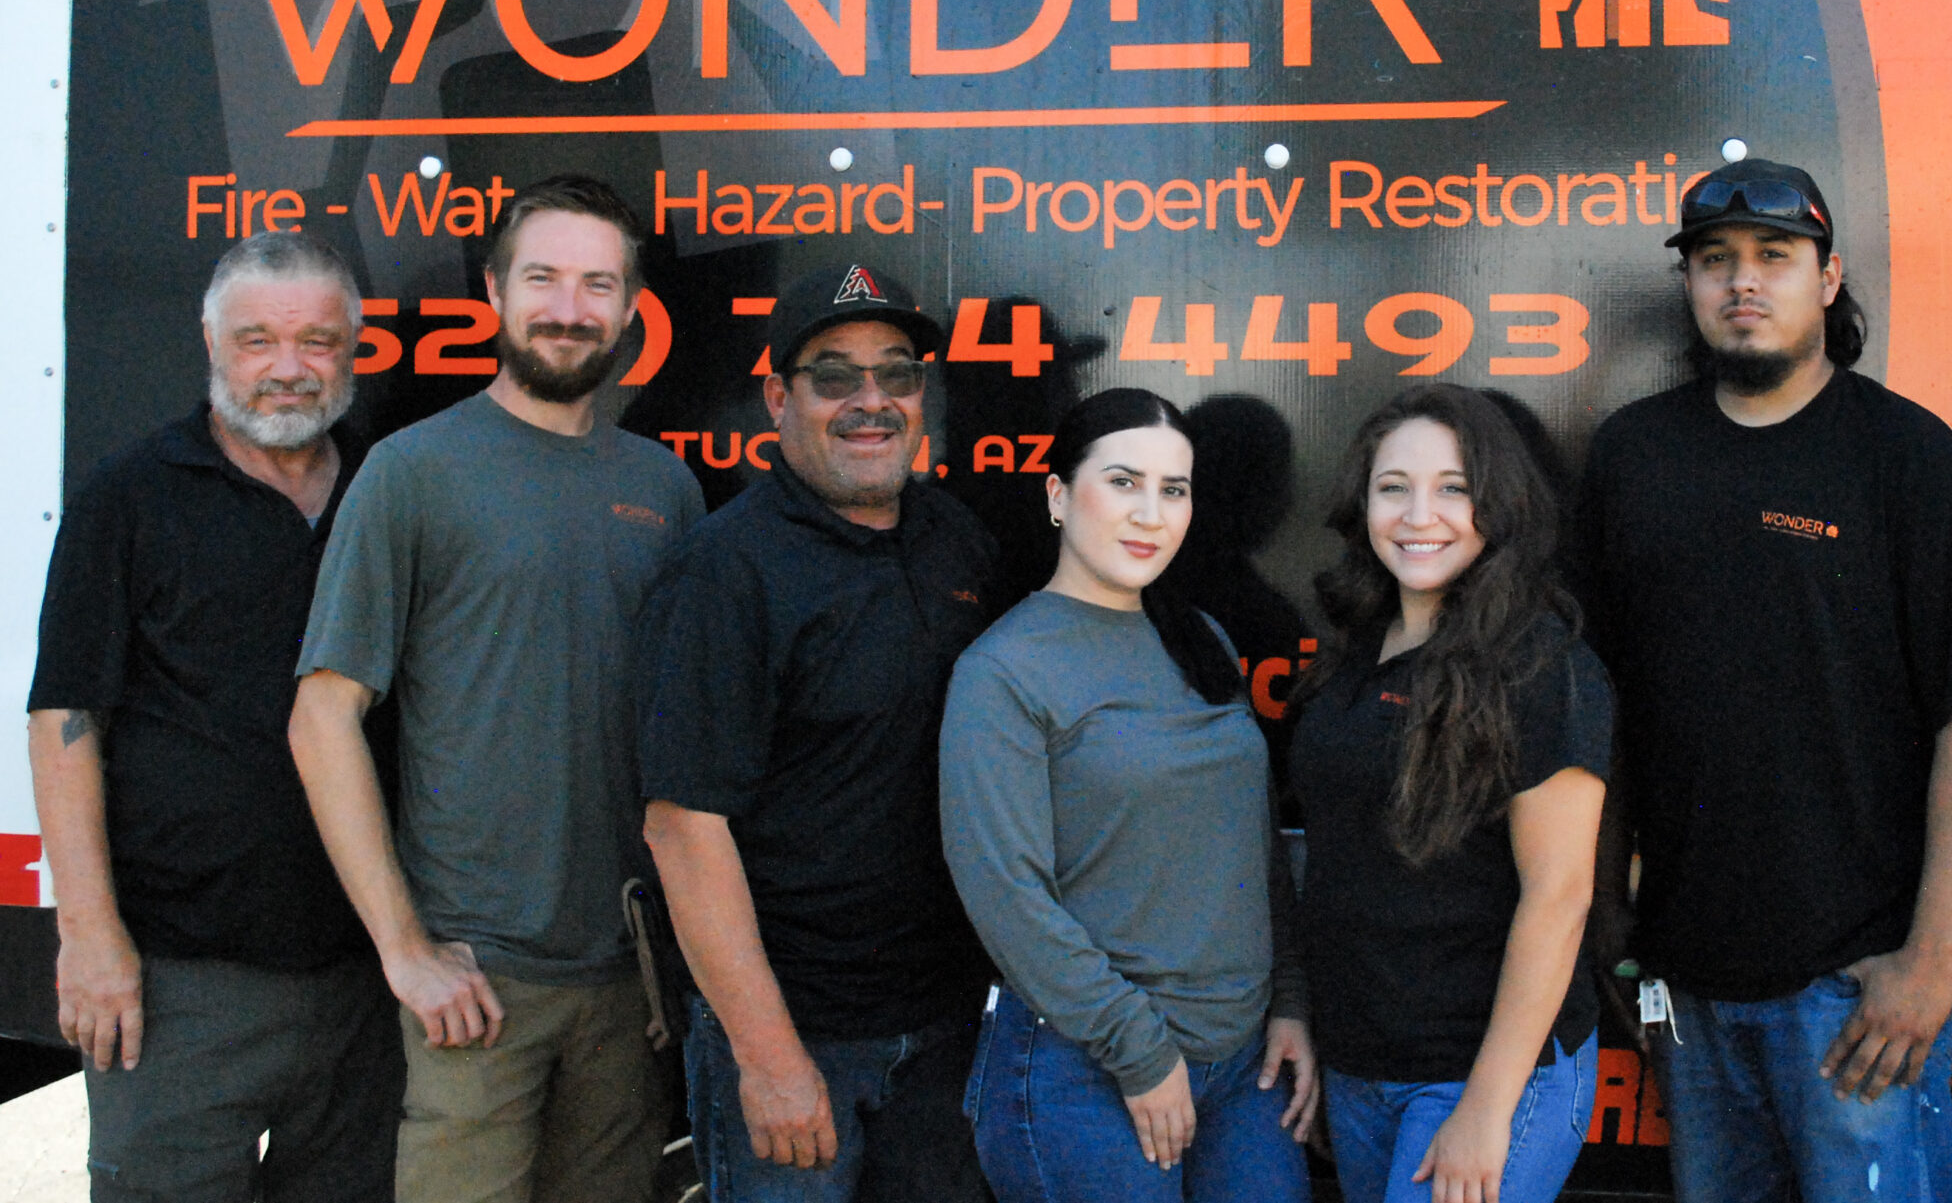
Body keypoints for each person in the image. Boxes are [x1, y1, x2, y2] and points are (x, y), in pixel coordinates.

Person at [1574, 157, 1952, 1203]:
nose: (1743, 281)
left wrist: (1926, 964)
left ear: (1827, 277)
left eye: (1775, 256)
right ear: (1687, 285)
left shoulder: (1908, 460)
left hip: (1854, 990)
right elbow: (1601, 708)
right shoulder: (1633, 456)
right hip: (1680, 980)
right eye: (1715, 260)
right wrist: (1604, 919)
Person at [289, 174, 705, 1203]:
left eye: (598, 283)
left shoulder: (666, 487)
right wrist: (406, 948)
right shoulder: (412, 470)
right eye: (544, 278)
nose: (569, 308)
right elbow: (322, 714)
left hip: (629, 982)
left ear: (628, 307)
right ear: (494, 292)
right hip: (475, 983)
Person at [26, 232, 403, 1202]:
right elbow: (65, 718)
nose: (288, 369)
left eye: (318, 341)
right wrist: (90, 934)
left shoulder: (386, 490)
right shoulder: (130, 496)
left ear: (355, 347)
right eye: (257, 341)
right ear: (209, 343)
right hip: (178, 984)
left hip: (363, 984)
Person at [636, 260, 1002, 1201]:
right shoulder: (726, 570)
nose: (870, 401)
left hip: (947, 1032)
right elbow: (684, 826)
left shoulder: (957, 539)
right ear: (776, 398)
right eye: (834, 375)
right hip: (797, 1036)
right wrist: (768, 1058)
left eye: (897, 373)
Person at [939, 387, 1318, 1202]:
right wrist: (1141, 1053)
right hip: (1089, 1068)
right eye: (1122, 481)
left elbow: (1250, 843)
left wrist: (1287, 996)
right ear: (1056, 494)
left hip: (1244, 1063)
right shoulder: (1003, 671)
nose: (1151, 512)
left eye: (1173, 489)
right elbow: (1007, 893)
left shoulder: (1201, 639)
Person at [1292, 384, 1612, 1203]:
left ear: (1497, 504)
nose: (1418, 513)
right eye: (1393, 486)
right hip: (1361, 1064)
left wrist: (1486, 1107)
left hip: (1485, 1073)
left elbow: (1561, 897)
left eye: (1453, 488)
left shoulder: (1543, 664)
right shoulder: (1358, 648)